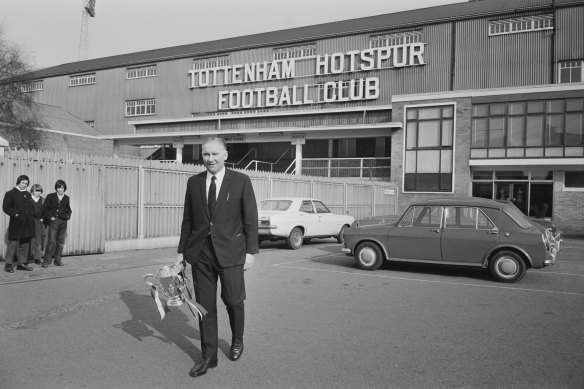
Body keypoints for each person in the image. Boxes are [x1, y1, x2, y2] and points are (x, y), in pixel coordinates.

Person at [175, 137, 258, 378]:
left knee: (233, 301)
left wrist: (251, 252)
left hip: (232, 253)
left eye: (214, 154)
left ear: (225, 155)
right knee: (205, 307)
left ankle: (237, 339)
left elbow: (250, 218)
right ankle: (208, 357)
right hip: (200, 253)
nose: (210, 159)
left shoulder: (241, 181)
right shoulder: (194, 182)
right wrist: (181, 252)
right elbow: (188, 221)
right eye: (205, 154)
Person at [2, 175, 35, 273]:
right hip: (16, 223)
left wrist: (31, 215)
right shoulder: (10, 193)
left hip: (27, 223)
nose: (24, 185)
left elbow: (31, 207)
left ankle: (22, 264)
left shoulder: (28, 194)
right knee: (12, 243)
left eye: (26, 183)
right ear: (18, 182)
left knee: (25, 244)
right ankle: (8, 265)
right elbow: (6, 207)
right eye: (22, 183)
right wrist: (15, 214)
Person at [42, 180, 72, 267]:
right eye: (58, 187)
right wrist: (50, 217)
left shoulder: (66, 198)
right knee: (51, 241)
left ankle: (57, 260)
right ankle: (46, 261)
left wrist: (68, 216)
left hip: (63, 221)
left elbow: (69, 209)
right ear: (56, 188)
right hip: (53, 221)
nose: (60, 189)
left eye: (62, 188)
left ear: (64, 188)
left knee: (60, 241)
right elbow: (45, 208)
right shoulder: (50, 196)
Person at [29, 184, 46, 265]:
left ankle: (37, 258)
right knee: (27, 241)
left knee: (37, 242)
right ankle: (25, 259)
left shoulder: (43, 200)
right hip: (29, 222)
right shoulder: (28, 199)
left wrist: (43, 218)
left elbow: (46, 210)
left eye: (39, 191)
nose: (38, 192)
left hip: (39, 222)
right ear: (32, 191)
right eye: (36, 190)